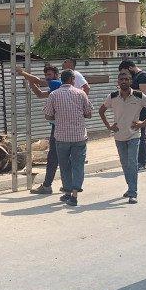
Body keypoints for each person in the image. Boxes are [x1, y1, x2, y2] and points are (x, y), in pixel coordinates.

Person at [98, 70, 146, 204]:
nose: (124, 81)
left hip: (134, 135)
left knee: (132, 163)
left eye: (126, 79)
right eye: (121, 79)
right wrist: (109, 126)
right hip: (119, 135)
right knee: (125, 164)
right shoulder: (113, 96)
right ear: (118, 82)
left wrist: (143, 123)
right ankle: (130, 187)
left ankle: (133, 192)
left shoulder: (138, 95)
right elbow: (101, 111)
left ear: (131, 81)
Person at [43, 69, 92, 207]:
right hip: (79, 137)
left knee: (64, 167)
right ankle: (74, 195)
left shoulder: (53, 94)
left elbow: (47, 115)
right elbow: (89, 114)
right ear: (72, 79)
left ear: (62, 79)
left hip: (61, 137)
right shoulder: (81, 93)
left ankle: (67, 192)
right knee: (78, 166)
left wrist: (58, 116)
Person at [16, 64, 63, 195]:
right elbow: (40, 94)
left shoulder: (57, 83)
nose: (47, 77)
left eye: (50, 74)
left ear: (56, 75)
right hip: (57, 126)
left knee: (54, 157)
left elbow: (39, 81)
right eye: (46, 75)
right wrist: (31, 82)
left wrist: (22, 73)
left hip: (59, 127)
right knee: (59, 156)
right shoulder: (54, 88)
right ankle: (66, 185)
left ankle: (48, 186)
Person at [119, 60, 146, 171]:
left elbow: (143, 92)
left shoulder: (143, 76)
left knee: (140, 135)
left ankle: (142, 162)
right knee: (135, 135)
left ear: (130, 68)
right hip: (133, 110)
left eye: (125, 72)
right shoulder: (135, 77)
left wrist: (127, 89)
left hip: (142, 110)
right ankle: (139, 161)